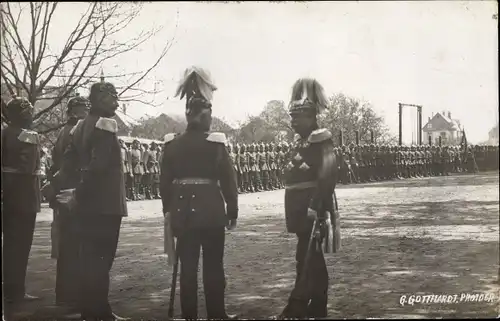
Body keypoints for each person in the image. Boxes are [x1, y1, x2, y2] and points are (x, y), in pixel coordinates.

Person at [43, 81, 128, 321]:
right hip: (104, 204)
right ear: (101, 98)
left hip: (86, 206)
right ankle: (100, 312)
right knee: (102, 260)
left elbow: (68, 163)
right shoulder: (105, 126)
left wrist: (54, 185)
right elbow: (98, 167)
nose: (117, 102)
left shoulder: (79, 127)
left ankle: (92, 311)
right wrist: (78, 193)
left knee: (90, 258)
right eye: (113, 97)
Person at [160, 67, 238, 320]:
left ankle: (189, 315)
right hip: (212, 212)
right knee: (213, 266)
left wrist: (168, 212)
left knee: (188, 268)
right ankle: (217, 314)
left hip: (182, 214)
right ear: (204, 116)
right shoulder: (216, 143)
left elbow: (164, 183)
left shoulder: (172, 144)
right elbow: (229, 180)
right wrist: (232, 210)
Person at [278, 78, 339, 319]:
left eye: (297, 118)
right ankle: (317, 306)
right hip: (299, 209)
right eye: (292, 118)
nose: (292, 123)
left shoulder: (321, 139)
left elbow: (328, 175)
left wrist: (316, 205)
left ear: (311, 116)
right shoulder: (303, 141)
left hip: (312, 209)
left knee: (307, 257)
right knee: (310, 257)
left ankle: (300, 306)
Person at [50, 95, 90, 309]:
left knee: (69, 247)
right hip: (71, 194)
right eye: (84, 109)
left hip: (65, 193)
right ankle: (70, 299)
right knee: (73, 248)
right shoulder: (74, 132)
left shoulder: (66, 131)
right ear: (74, 112)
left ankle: (66, 298)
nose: (87, 113)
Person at [2, 96, 41, 304]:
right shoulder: (28, 136)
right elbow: (28, 168)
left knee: (9, 246)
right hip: (24, 196)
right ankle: (16, 291)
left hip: (8, 197)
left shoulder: (4, 133)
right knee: (21, 246)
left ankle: (11, 290)